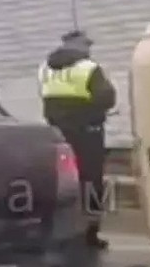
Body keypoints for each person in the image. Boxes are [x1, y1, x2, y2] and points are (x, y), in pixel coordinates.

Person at [38, 28, 117, 250]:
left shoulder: (46, 68)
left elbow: (47, 98)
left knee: (63, 183)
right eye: (87, 45)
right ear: (80, 46)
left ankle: (60, 234)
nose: (89, 50)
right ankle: (90, 234)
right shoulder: (89, 68)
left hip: (58, 135)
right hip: (87, 132)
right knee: (91, 182)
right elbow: (107, 97)